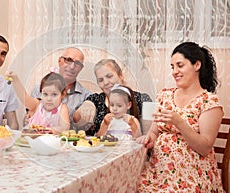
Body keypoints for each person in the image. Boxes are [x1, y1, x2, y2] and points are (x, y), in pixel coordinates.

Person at [136, 42, 224, 192]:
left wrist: (178, 122)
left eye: (180, 65)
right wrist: (149, 138)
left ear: (197, 65)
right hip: (158, 171)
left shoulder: (209, 102)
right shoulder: (165, 95)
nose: (174, 71)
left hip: (191, 175)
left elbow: (204, 147)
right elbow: (154, 132)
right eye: (172, 67)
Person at [73, 59, 152, 136]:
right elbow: (76, 119)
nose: (106, 82)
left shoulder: (142, 99)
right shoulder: (95, 99)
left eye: (109, 76)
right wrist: (86, 104)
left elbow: (148, 136)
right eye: (101, 80)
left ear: (120, 75)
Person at [30, 47, 91, 128]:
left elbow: (87, 130)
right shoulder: (38, 90)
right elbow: (29, 121)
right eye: (69, 60)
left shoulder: (86, 97)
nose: (72, 67)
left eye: (78, 64)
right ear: (59, 61)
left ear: (81, 68)